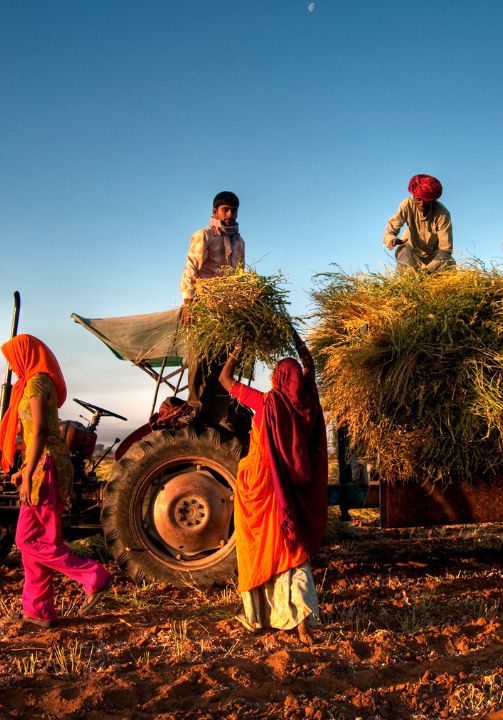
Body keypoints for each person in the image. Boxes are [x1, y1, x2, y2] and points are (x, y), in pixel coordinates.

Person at [218, 333, 328, 645]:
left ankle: (260, 616)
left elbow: (225, 379)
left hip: (260, 485)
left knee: (258, 546)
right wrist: (294, 336)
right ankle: (302, 618)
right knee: (291, 546)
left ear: (278, 378)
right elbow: (309, 367)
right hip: (287, 487)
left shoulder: (266, 401)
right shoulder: (307, 402)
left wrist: (239, 345)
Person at [0, 334, 112, 629]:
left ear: (25, 355)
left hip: (45, 469)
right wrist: (23, 469)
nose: (10, 366)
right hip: (43, 465)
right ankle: (38, 611)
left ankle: (92, 575)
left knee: (25, 540)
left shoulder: (36, 383)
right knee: (40, 543)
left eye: (12, 358)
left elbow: (38, 431)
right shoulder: (37, 382)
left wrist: (29, 472)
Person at [180, 191, 246, 429]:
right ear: (215, 211)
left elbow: (240, 277)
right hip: (203, 306)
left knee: (224, 362)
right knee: (199, 357)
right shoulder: (204, 235)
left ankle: (219, 415)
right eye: (225, 210)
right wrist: (189, 304)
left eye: (233, 210)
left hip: (227, 311)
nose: (229, 214)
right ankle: (193, 408)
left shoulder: (239, 241)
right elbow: (191, 270)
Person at [383, 174, 454, 272]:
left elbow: (445, 249)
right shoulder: (406, 205)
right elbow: (390, 230)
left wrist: (428, 270)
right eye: (418, 199)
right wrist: (391, 239)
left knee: (448, 261)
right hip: (411, 254)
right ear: (413, 196)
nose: (422, 204)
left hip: (434, 258)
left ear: (433, 200)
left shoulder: (442, 214)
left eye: (426, 200)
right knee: (403, 252)